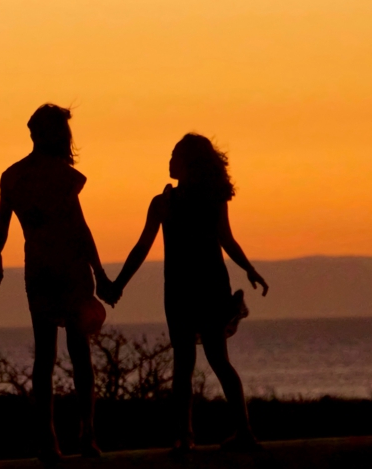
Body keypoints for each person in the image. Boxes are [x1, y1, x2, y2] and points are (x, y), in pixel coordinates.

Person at [109, 133, 269, 452]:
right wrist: (119, 284)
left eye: (174, 156)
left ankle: (189, 435)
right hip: (203, 287)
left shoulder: (168, 202)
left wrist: (118, 285)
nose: (169, 161)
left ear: (188, 163)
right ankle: (232, 431)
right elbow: (226, 239)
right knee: (213, 362)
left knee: (188, 364)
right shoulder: (182, 201)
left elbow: (145, 247)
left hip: (188, 289)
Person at [0, 104, 114, 464]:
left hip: (39, 267)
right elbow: (80, 230)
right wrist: (100, 273)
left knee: (47, 354)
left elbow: (1, 229)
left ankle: (50, 439)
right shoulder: (63, 175)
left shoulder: (13, 176)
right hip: (68, 267)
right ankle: (86, 434)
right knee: (78, 353)